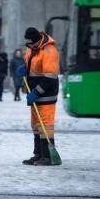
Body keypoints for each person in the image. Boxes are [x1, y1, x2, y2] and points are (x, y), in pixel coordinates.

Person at [17, 27, 60, 166]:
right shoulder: (32, 48)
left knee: (45, 126)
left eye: (32, 44)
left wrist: (36, 92)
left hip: (46, 94)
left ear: (38, 40)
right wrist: (25, 69)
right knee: (36, 126)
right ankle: (38, 154)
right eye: (28, 45)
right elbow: (31, 64)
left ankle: (47, 156)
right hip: (34, 94)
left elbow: (50, 78)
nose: (30, 47)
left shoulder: (49, 51)